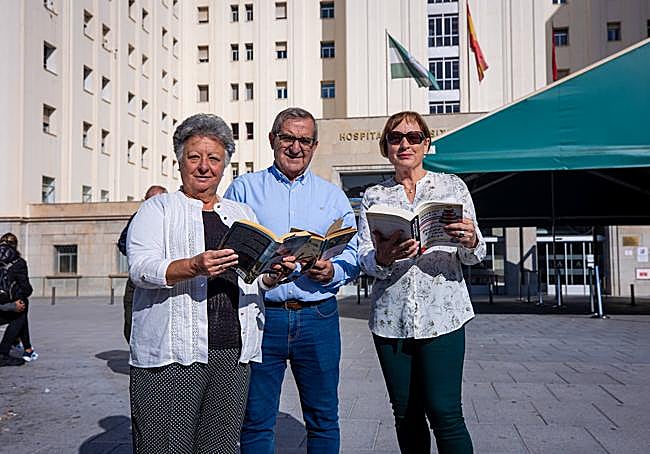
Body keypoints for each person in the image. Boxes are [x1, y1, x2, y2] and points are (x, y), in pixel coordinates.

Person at [126, 113, 294, 454]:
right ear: (180, 162)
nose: (204, 166)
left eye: (214, 158)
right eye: (194, 157)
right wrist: (192, 266)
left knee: (218, 446)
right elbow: (140, 268)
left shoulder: (242, 213)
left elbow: (254, 279)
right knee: (165, 446)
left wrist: (273, 275)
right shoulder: (157, 209)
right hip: (174, 355)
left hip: (233, 352)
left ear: (225, 165)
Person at [225, 107, 359, 453]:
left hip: (318, 317)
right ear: (272, 140)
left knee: (324, 417)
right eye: (288, 138)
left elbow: (353, 252)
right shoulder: (243, 189)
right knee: (256, 420)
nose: (295, 147)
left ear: (314, 146)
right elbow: (226, 249)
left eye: (304, 140)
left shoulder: (332, 196)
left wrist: (333, 271)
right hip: (261, 315)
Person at [357, 111, 486, 454]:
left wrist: (470, 239)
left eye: (414, 137)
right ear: (385, 147)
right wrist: (384, 257)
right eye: (396, 138)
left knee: (446, 413)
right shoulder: (374, 196)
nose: (405, 144)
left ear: (426, 144)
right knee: (406, 414)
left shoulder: (452, 186)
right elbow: (365, 258)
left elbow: (476, 253)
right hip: (391, 320)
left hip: (443, 316)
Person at [117, 185, 167, 343]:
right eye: (150, 199)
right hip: (138, 278)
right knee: (131, 320)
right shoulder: (138, 217)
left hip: (167, 275)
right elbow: (123, 243)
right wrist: (138, 255)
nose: (153, 203)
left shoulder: (172, 217)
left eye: (158, 199)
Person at [0, 233, 35, 366]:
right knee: (21, 310)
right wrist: (14, 304)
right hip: (7, 304)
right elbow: (26, 289)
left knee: (19, 308)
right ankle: (4, 353)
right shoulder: (19, 263)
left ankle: (27, 348)